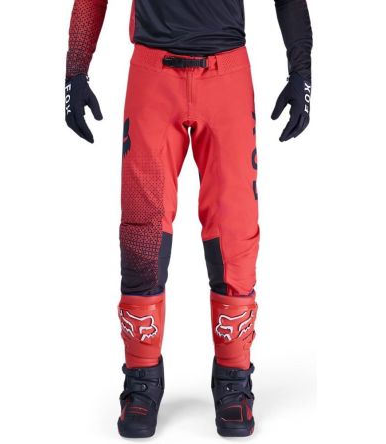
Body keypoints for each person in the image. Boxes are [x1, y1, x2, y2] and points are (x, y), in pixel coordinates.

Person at [64, 0, 312, 438]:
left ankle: (233, 375)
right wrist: (75, 72)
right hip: (153, 75)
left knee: (235, 229)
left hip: (227, 75)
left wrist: (301, 73)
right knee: (143, 231)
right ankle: (142, 377)